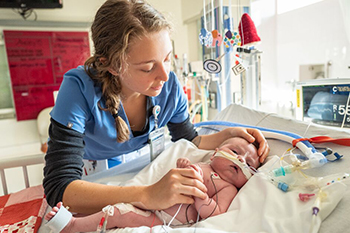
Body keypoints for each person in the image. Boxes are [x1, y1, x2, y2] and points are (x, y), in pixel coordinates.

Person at [43, 0, 270, 216]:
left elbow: (188, 139)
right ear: (111, 65)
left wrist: (227, 136)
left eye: (168, 59)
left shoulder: (168, 86)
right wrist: (147, 194)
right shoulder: (78, 89)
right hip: (91, 179)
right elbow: (59, 188)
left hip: (148, 170)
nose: (164, 75)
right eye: (148, 67)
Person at [45, 137, 261, 232]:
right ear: (215, 153)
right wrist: (184, 165)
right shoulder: (204, 165)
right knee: (118, 200)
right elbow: (175, 177)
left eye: (249, 164)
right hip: (153, 200)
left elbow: (215, 213)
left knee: (119, 213)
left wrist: (200, 196)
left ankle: (73, 226)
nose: (241, 160)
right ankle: (82, 216)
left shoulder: (227, 187)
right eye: (235, 152)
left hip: (164, 219)